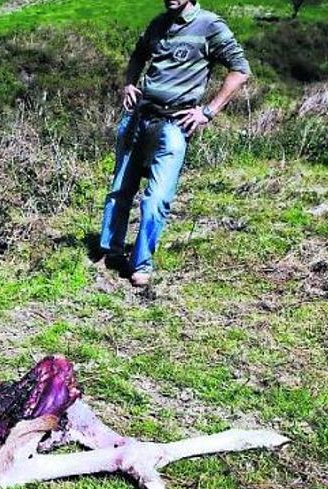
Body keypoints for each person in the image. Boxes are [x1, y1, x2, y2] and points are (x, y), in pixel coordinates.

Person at [99, 0, 251, 286]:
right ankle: (110, 250)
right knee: (120, 187)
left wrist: (207, 111)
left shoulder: (209, 25)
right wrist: (129, 83)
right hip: (138, 117)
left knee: (156, 198)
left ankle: (141, 263)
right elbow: (138, 55)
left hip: (173, 125)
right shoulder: (158, 23)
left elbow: (240, 70)